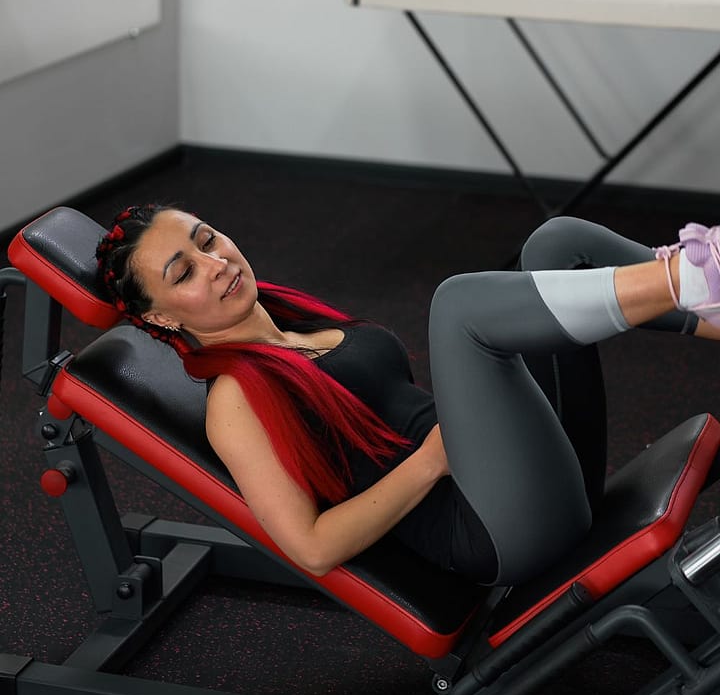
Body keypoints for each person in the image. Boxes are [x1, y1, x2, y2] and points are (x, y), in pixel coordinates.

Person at [95, 206, 720, 586]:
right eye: (184, 273)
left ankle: (710, 302)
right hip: (495, 527)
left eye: (206, 241)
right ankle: (690, 272)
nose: (215, 263)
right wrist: (431, 461)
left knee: (557, 244)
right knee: (458, 308)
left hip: (526, 480)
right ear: (166, 321)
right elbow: (311, 548)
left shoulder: (292, 323)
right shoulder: (234, 398)